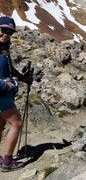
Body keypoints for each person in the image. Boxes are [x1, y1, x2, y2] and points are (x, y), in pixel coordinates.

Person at [0, 16, 30, 172]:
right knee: (16, 123)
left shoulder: (4, 49)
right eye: (3, 30)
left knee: (0, 124)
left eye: (9, 32)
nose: (5, 34)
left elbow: (9, 70)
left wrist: (22, 78)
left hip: (4, 92)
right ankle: (7, 163)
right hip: (1, 93)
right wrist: (5, 84)